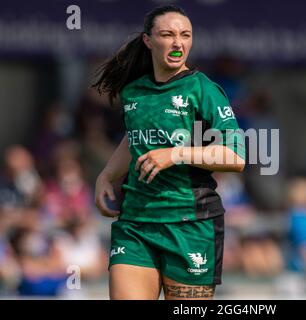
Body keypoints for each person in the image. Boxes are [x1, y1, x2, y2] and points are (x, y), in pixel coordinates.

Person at [92, 5, 245, 300]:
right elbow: (136, 137)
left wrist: (175, 154)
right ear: (149, 40)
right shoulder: (134, 91)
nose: (178, 42)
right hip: (136, 223)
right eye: (168, 34)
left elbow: (236, 156)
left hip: (190, 225)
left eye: (185, 35)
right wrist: (107, 175)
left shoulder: (203, 89)